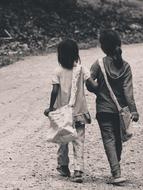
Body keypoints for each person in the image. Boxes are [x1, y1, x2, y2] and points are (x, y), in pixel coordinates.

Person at [87, 29, 139, 184]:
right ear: (118, 44)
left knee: (109, 139)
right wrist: (134, 110)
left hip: (103, 110)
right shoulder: (126, 66)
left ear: (103, 47)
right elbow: (128, 91)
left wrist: (96, 89)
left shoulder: (98, 64)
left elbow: (90, 84)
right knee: (117, 140)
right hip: (120, 111)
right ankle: (117, 169)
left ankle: (116, 173)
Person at [44, 39, 98, 183]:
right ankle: (78, 170)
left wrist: (50, 108)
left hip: (63, 113)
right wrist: (100, 89)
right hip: (79, 112)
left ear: (60, 55)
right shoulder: (82, 69)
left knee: (63, 139)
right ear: (76, 53)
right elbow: (92, 86)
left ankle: (63, 167)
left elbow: (54, 91)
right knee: (79, 140)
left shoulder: (58, 71)